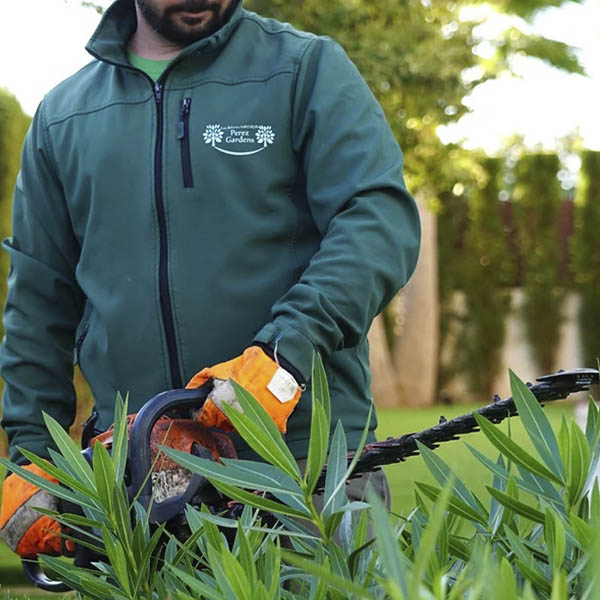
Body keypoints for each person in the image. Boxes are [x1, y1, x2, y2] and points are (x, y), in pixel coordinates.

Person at [0, 0, 420, 556]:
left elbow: (378, 220)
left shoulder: (303, 70)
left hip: (300, 465)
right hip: (135, 478)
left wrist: (282, 358)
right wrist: (33, 456)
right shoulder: (63, 117)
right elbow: (38, 300)